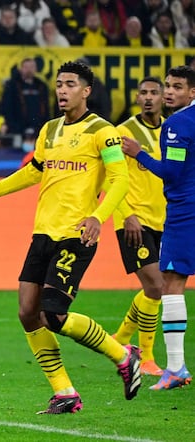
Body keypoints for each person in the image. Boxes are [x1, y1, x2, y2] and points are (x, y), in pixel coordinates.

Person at [0, 61, 141, 414]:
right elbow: (32, 172)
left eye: (70, 84)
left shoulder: (104, 131)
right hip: (44, 232)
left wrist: (98, 217)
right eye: (58, 84)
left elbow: (119, 180)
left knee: (53, 314)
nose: (62, 90)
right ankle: (65, 392)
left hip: (77, 234)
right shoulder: (50, 130)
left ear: (86, 91)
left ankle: (123, 353)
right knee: (28, 312)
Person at [121, 65, 195, 390]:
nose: (168, 92)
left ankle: (176, 367)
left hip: (184, 211)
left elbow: (173, 173)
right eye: (167, 85)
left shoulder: (177, 123)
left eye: (177, 87)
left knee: (171, 284)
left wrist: (141, 155)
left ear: (192, 92)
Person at [110, 76, 167, 378]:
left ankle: (120, 340)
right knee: (156, 286)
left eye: (154, 93)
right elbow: (111, 177)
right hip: (133, 221)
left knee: (152, 289)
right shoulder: (123, 132)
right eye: (143, 93)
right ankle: (145, 357)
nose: (148, 98)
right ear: (136, 97)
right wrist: (127, 214)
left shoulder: (171, 130)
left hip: (163, 220)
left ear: (162, 98)